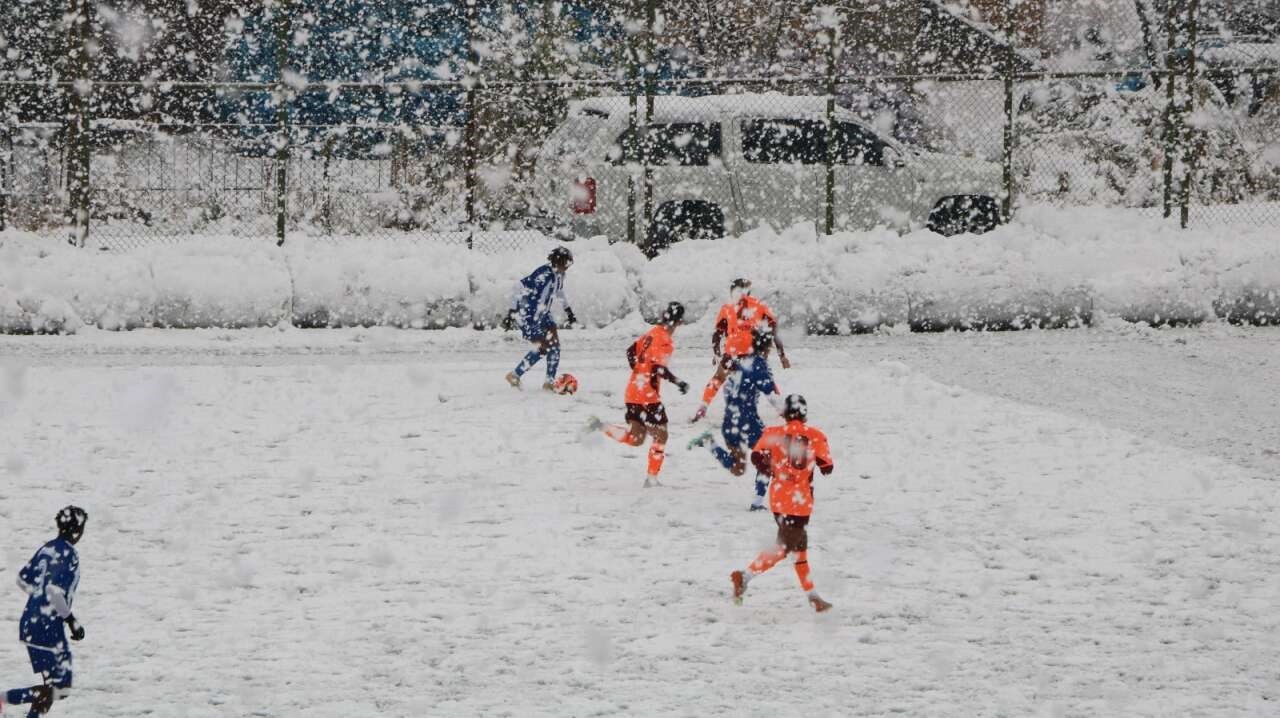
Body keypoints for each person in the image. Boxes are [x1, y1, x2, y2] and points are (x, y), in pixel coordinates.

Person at [729, 397, 835, 612]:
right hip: (801, 501)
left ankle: (814, 598)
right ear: (804, 414)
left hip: (778, 498)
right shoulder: (816, 435)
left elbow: (756, 457)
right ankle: (745, 576)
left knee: (798, 549)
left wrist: (775, 470)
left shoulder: (773, 433)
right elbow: (827, 467)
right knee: (786, 547)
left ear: (784, 414)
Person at [588, 302, 689, 488]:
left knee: (636, 438)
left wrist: (639, 372)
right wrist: (677, 382)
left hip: (633, 390)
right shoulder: (665, 339)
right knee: (661, 435)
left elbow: (630, 351)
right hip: (648, 395)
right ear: (680, 321)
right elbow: (658, 368)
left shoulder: (652, 333)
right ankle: (651, 479)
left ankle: (602, 426)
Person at [3, 507, 87, 717]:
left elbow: (22, 579)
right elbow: (54, 591)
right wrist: (71, 620)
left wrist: (37, 598)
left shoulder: (47, 548)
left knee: (51, 688)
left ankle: (5, 700)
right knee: (60, 688)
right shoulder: (69, 555)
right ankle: (2, 699)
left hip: (30, 622)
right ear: (78, 530)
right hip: (48, 627)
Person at [687, 330, 784, 511]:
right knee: (767, 460)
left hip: (730, 422)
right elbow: (771, 396)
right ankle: (756, 504)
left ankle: (709, 443)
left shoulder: (740, 363)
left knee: (739, 468)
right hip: (748, 421)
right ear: (767, 347)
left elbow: (727, 390)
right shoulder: (759, 365)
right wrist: (788, 413)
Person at [692, 278, 789, 420]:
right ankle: (782, 411)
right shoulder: (759, 305)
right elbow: (773, 331)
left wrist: (717, 354)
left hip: (733, 351)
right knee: (765, 381)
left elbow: (717, 335)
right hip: (753, 352)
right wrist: (782, 356)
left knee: (718, 379)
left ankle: (702, 408)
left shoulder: (727, 308)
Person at [504, 247, 578, 391]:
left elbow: (559, 291)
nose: (568, 267)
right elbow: (517, 286)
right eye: (566, 263)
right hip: (529, 315)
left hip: (543, 313)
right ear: (558, 261)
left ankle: (549, 383)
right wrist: (511, 313)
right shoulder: (544, 274)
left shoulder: (560, 275)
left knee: (554, 345)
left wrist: (568, 311)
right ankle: (515, 375)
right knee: (542, 348)